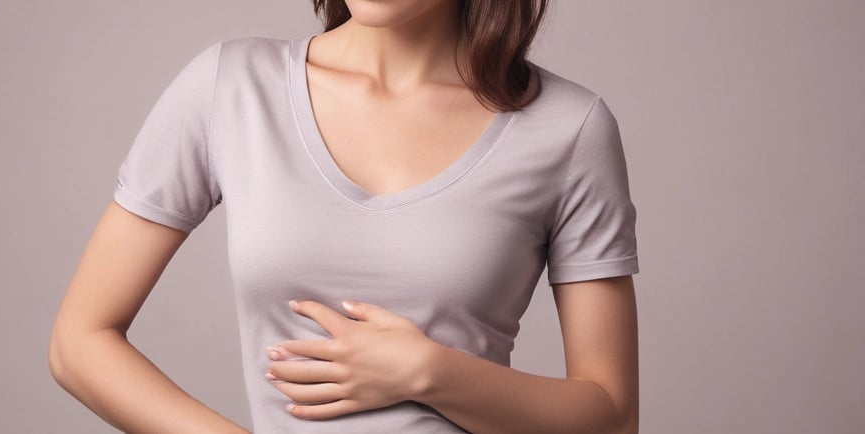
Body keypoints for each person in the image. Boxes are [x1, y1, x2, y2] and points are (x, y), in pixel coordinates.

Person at [49, 0, 642, 432]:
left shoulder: (570, 126)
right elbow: (79, 343)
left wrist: (428, 372)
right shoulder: (230, 86)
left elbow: (611, 416)